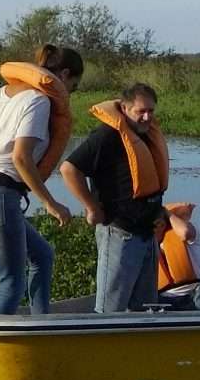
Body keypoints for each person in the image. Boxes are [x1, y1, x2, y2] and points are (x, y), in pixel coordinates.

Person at [0, 44, 83, 314]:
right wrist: (50, 203)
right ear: (64, 75)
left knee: (42, 255)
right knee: (11, 284)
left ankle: (42, 325)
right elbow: (21, 159)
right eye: (73, 88)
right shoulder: (39, 101)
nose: (69, 94)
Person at [59, 82, 170, 312]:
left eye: (151, 110)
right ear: (125, 109)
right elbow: (69, 169)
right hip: (120, 233)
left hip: (147, 233)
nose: (147, 117)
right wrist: (91, 207)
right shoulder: (106, 135)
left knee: (146, 308)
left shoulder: (147, 134)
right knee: (110, 309)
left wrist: (159, 212)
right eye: (141, 111)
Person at [154, 201, 200, 310]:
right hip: (165, 299)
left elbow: (185, 233)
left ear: (163, 224)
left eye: (159, 224)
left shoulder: (187, 231)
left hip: (196, 292)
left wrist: (167, 213)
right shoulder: (145, 245)